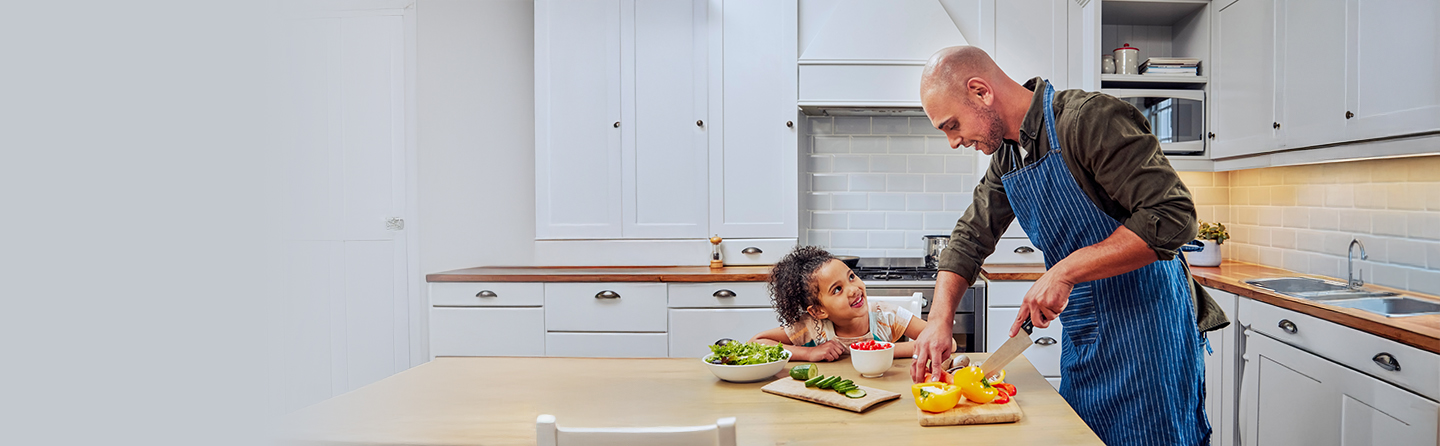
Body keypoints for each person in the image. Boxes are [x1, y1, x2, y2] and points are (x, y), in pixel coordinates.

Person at [908, 46, 1227, 446]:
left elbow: (1173, 216)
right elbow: (971, 237)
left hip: (1150, 335)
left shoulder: (1089, 119)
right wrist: (939, 320)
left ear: (980, 92)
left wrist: (1065, 270)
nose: (954, 141)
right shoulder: (1008, 158)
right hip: (1086, 337)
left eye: (952, 125)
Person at [750, 246, 953, 362]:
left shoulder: (886, 316)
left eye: (852, 277)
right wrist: (808, 352)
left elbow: (947, 344)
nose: (853, 289)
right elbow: (756, 343)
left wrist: (878, 349)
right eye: (837, 289)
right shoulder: (812, 327)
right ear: (819, 311)